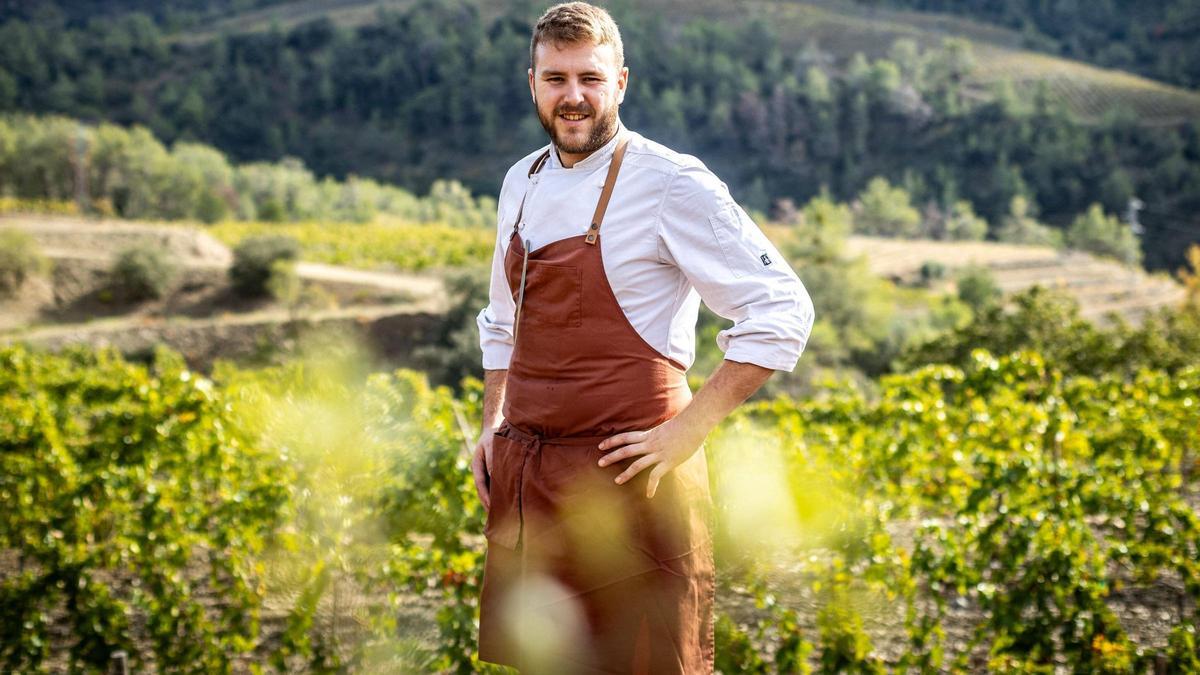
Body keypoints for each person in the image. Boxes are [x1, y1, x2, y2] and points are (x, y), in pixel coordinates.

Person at [471, 3, 814, 673]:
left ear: (621, 82)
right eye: (556, 78)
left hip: (633, 490)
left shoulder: (669, 182)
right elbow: (501, 321)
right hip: (531, 487)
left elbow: (782, 308)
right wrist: (495, 423)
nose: (573, 97)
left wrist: (690, 429)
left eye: (591, 79)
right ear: (532, 82)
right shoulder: (522, 181)